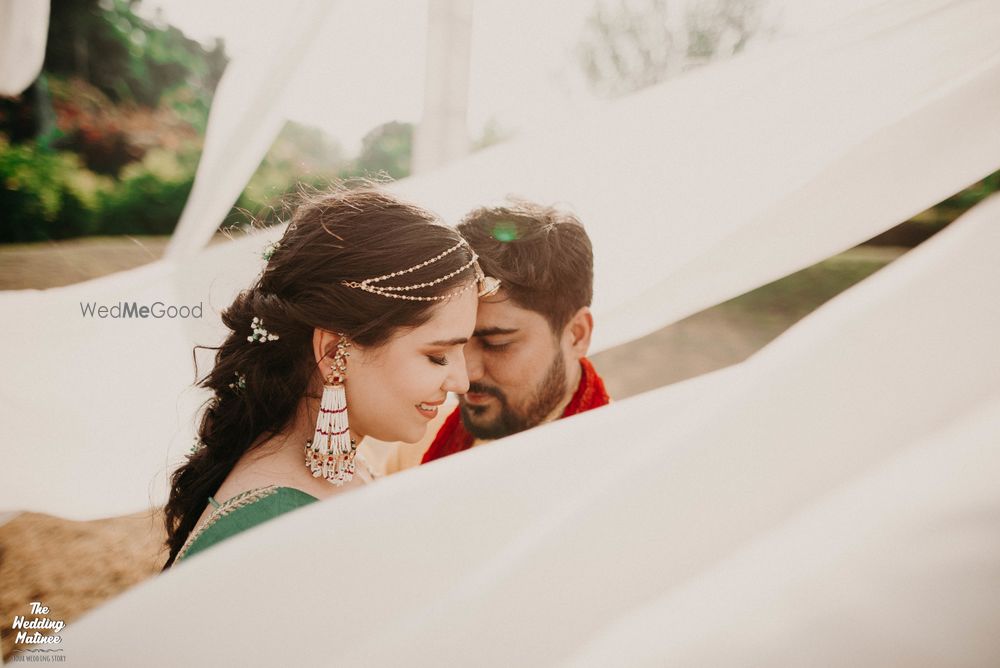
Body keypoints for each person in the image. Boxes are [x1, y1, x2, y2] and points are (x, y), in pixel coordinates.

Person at [162, 187, 498, 567]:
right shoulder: (268, 532)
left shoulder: (346, 467)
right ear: (333, 351)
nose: (461, 382)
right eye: (437, 356)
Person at [361, 200, 609, 471]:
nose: (465, 375)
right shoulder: (419, 445)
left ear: (576, 335)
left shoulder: (626, 465)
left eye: (496, 344)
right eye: (453, 345)